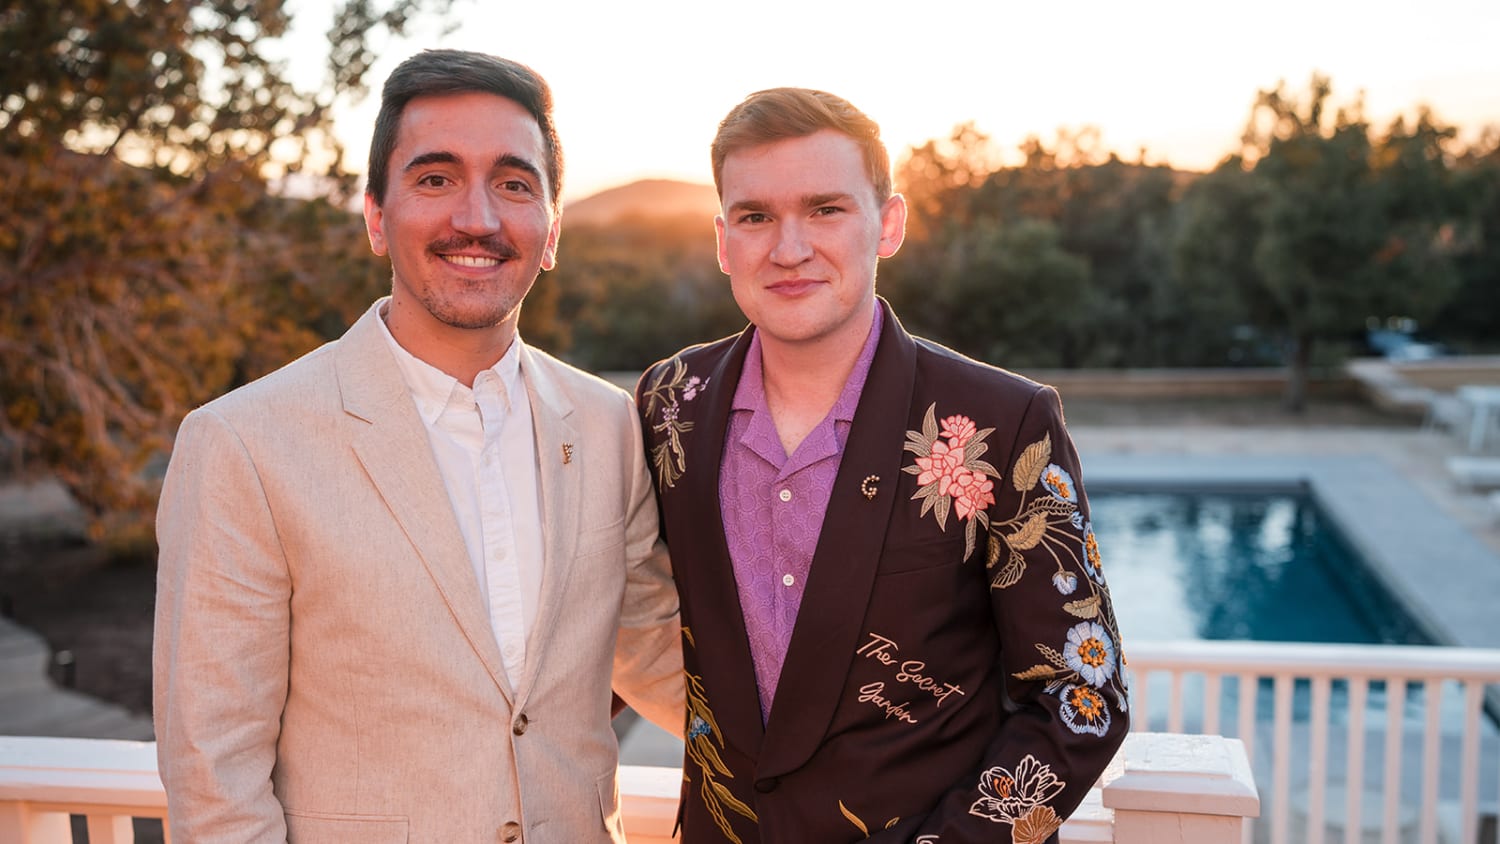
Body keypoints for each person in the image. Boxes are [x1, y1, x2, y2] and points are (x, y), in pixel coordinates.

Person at [153, 49, 683, 843]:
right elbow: (215, 777)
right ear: (375, 216)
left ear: (551, 231)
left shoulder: (609, 426)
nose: (478, 218)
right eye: (435, 179)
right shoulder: (242, 445)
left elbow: (666, 663)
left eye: (514, 183)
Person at [636, 88, 1128, 844]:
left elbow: (1082, 698)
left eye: (825, 209)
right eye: (756, 215)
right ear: (723, 239)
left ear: (887, 224)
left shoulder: (1004, 423)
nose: (789, 248)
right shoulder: (670, 402)